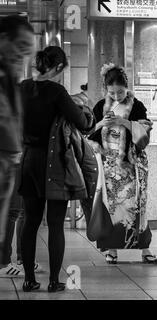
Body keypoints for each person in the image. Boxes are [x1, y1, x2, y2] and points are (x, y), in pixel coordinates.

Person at [19, 46, 95, 292]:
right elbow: (83, 123)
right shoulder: (57, 92)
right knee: (54, 223)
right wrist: (86, 110)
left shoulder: (22, 88)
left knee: (30, 220)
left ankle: (29, 279)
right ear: (60, 67)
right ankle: (53, 280)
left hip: (29, 159)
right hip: (55, 162)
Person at [87, 64, 157, 265]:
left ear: (127, 87)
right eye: (112, 92)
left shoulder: (137, 106)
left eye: (120, 92)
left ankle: (145, 248)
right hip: (110, 167)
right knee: (113, 208)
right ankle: (112, 249)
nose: (117, 96)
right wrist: (102, 124)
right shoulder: (100, 106)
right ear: (105, 89)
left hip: (133, 166)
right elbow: (89, 133)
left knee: (138, 206)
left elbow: (144, 136)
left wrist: (124, 122)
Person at [0, 15, 34, 270]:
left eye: (27, 51)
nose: (22, 55)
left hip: (8, 166)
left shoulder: (10, 79)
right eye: (20, 46)